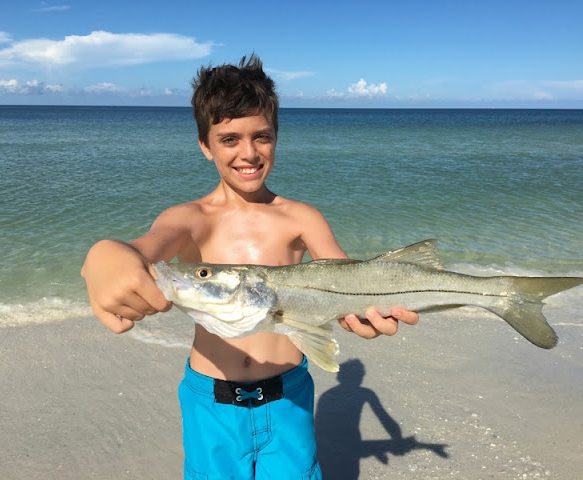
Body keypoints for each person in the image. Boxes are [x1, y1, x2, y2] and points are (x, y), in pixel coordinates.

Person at [81, 54, 419, 479]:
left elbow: (344, 278)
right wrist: (106, 253)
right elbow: (144, 248)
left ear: (276, 137)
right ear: (205, 145)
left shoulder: (302, 217)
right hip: (211, 399)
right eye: (229, 139)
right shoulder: (189, 218)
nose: (249, 153)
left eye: (261, 136)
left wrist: (366, 311)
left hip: (290, 395)